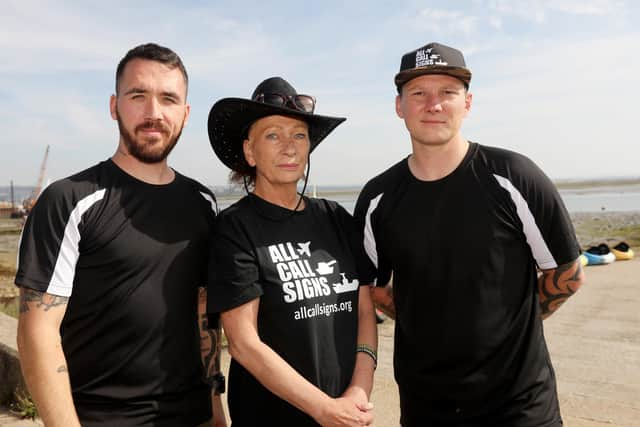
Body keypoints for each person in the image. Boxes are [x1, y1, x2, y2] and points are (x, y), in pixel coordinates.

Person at [354, 42, 586, 426]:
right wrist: (431, 324)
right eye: (419, 94)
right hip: (426, 407)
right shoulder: (377, 199)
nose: (435, 104)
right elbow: (376, 291)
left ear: (468, 103)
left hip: (520, 407)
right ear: (399, 107)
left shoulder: (514, 176)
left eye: (448, 92)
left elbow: (568, 275)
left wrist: (512, 326)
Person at [15, 43, 226, 427]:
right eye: (138, 96)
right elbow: (37, 334)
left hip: (192, 417)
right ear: (114, 106)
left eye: (168, 99)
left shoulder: (203, 202)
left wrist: (217, 414)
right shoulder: (70, 199)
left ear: (185, 113)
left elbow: (204, 317)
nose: (153, 113)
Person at [206, 77, 378, 426]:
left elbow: (364, 312)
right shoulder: (235, 228)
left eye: (299, 135)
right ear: (250, 152)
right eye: (273, 135)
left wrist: (358, 393)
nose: (289, 147)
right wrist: (323, 408)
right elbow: (243, 344)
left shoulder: (336, 219)